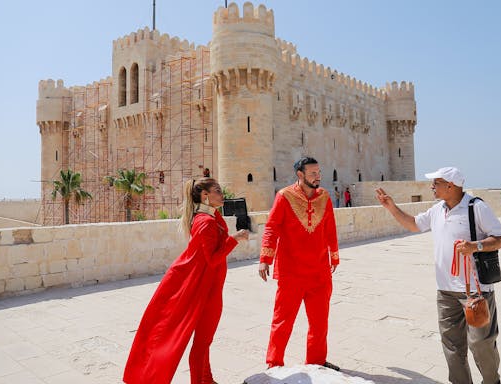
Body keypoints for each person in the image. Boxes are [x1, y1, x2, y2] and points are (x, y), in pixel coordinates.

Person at [376, 166, 501, 384]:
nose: (431, 187)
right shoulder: (437, 210)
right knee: (452, 345)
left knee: (481, 343)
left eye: (436, 183)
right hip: (445, 290)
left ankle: (492, 381)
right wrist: (391, 207)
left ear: (451, 185)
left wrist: (476, 246)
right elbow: (414, 224)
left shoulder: (476, 207)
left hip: (474, 291)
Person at [123, 178, 249, 384]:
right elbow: (213, 259)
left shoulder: (209, 216)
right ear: (205, 195)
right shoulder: (205, 222)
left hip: (208, 286)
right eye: (217, 191)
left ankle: (206, 380)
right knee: (202, 343)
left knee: (203, 342)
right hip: (205, 290)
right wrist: (235, 239)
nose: (222, 194)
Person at [258, 156, 340, 371]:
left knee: (320, 322)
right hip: (291, 272)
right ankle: (274, 364)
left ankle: (316, 361)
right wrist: (265, 259)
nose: (318, 177)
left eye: (319, 172)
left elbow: (330, 227)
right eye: (313, 173)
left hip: (320, 271)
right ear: (300, 175)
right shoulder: (284, 196)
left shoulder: (324, 196)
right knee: (282, 321)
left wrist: (334, 255)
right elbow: (272, 227)